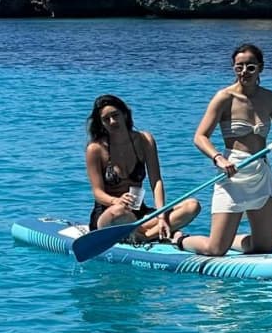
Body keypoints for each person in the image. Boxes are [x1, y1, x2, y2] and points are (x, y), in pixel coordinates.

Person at [170, 44, 272, 257]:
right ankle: (180, 239)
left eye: (250, 67)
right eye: (239, 67)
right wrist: (218, 158)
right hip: (232, 173)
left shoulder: (269, 99)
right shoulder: (224, 98)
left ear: (260, 68)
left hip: (260, 173)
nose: (244, 72)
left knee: (264, 248)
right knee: (215, 250)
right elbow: (200, 137)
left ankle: (230, 240)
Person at [84, 94, 200, 243]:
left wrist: (161, 215)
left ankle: (144, 235)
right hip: (109, 214)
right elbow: (97, 192)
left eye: (115, 115)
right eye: (106, 119)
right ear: (101, 123)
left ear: (125, 114)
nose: (112, 121)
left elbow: (156, 181)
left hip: (139, 212)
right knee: (119, 211)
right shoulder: (95, 149)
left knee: (192, 206)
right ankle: (150, 232)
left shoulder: (144, 140)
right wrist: (115, 201)